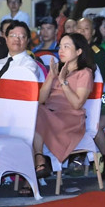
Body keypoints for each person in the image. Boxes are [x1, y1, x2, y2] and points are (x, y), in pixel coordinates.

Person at [33, 33, 95, 179]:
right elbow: (41, 99)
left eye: (66, 47)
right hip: (48, 115)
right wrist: (50, 77)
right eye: (60, 47)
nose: (61, 50)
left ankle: (39, 160)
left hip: (69, 119)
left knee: (37, 113)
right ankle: (38, 165)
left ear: (79, 51)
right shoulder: (57, 70)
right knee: (34, 112)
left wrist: (63, 82)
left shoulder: (84, 73)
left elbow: (77, 104)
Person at [0, 21, 42, 134]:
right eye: (13, 35)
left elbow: (16, 92)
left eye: (22, 36)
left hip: (10, 109)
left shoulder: (29, 65)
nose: (17, 39)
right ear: (6, 38)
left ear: (28, 40)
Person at [77, 17, 105, 83]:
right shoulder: (71, 49)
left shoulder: (98, 51)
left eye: (86, 28)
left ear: (93, 32)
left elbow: (104, 76)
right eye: (79, 28)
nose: (82, 31)